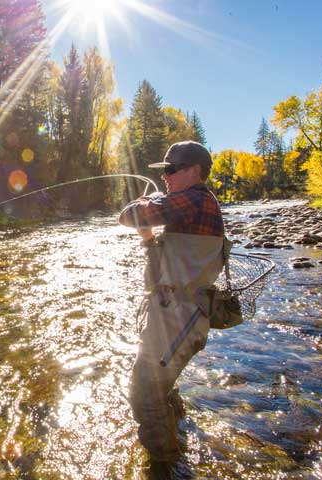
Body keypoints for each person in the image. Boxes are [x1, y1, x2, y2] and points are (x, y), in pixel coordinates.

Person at [118, 141, 225, 478]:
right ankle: (175, 429)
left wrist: (142, 203)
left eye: (170, 169)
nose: (165, 176)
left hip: (182, 317)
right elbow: (157, 277)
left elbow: (128, 215)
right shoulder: (187, 209)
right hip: (174, 316)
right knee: (160, 384)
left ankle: (165, 464)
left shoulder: (196, 199)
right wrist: (149, 240)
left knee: (144, 390)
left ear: (195, 171)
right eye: (163, 171)